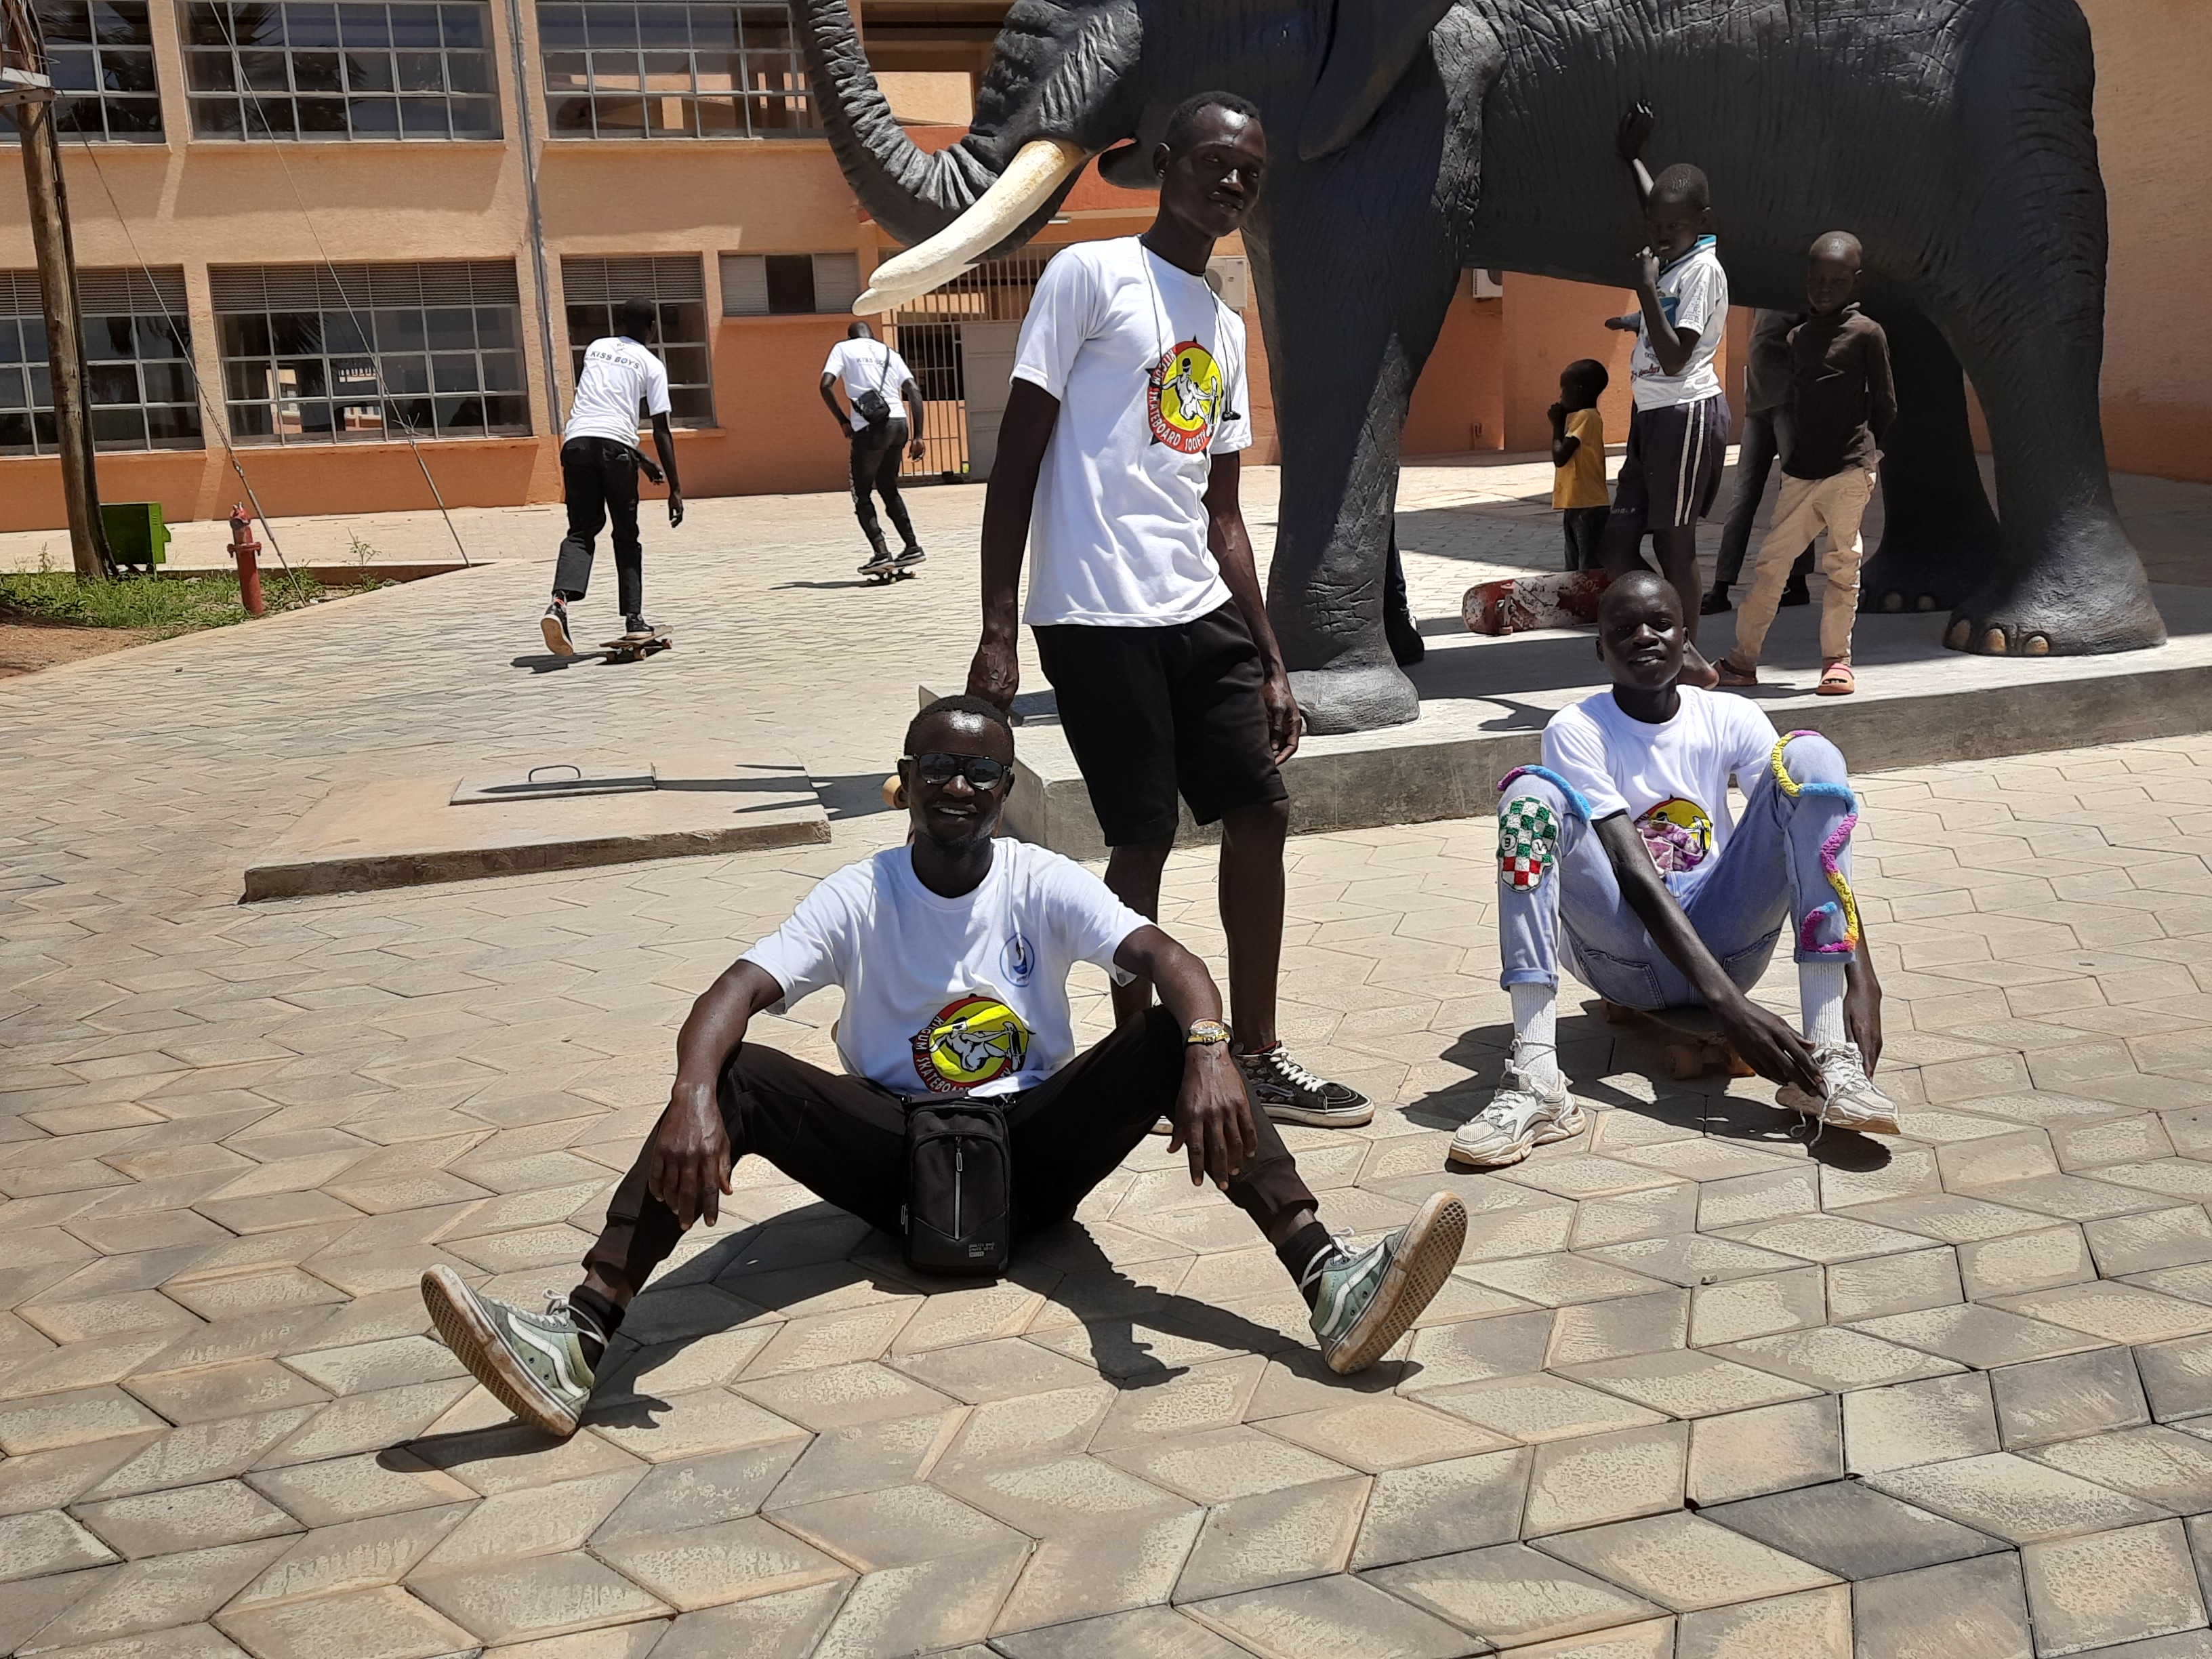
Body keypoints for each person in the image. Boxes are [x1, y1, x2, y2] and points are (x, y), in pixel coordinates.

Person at [420, 695, 1470, 1437]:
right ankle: (578, 1336)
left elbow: (1168, 959)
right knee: (733, 1072)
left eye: (980, 771)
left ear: (1004, 786)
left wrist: (1205, 1049)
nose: (959, 786)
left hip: (1036, 1153)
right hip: (892, 1159)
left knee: (1162, 1035)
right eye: (939, 769)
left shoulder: (1039, 878)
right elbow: (731, 992)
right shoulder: (860, 893)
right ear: (905, 781)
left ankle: (1331, 1282)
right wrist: (695, 1094)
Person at [962, 91, 1370, 1129]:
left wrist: (1273, 658)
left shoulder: (1225, 327)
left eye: (1250, 171)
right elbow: (1015, 463)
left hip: (1198, 607)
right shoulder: (1089, 275)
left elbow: (1224, 513)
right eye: (1214, 162)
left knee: (1262, 810)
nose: (1231, 182)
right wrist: (999, 628)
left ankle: (1261, 1054)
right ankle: (1145, 1064)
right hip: (1093, 614)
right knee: (1141, 834)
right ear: (1163, 162)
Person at [1450, 570, 1895, 1170]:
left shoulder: (1729, 717)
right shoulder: (1578, 728)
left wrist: (1861, 977)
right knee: (1528, 798)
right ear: (1600, 648)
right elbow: (1632, 873)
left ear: (1686, 639)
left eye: (1661, 624)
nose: (1644, 637)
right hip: (1624, 952)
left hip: (1728, 938)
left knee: (1809, 754)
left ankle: (1828, 1064)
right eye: (1623, 629)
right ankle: (1536, 1080)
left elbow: (1813, 839)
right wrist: (1731, 1010)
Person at [1720, 233, 1897, 697]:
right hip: (1801, 471)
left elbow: (1884, 402)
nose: (1825, 289)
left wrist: (1868, 454)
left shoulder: (1867, 334)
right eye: (1817, 280)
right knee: (1772, 565)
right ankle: (1742, 660)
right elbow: (1797, 400)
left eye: (1837, 281)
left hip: (1848, 470)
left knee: (1843, 566)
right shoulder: (1798, 337)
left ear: (1856, 281)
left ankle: (1837, 662)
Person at [1595, 104, 1730, 687]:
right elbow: (1658, 202)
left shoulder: (1702, 270)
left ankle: (1688, 655)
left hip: (1686, 412)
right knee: (1616, 545)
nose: (1660, 235)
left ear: (1700, 220)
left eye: (1672, 228)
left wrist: (1646, 295)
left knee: (1675, 544)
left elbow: (1678, 357)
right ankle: (1669, 634)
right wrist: (1632, 159)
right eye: (1654, 227)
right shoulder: (1674, 252)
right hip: (1651, 413)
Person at [542, 296, 684, 655]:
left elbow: (599, 415)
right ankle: (634, 618)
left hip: (577, 444)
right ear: (653, 327)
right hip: (615, 450)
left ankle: (559, 602)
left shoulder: (596, 348)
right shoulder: (652, 365)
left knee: (581, 530)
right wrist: (676, 488)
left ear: (620, 321)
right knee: (625, 533)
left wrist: (641, 458)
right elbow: (662, 429)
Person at [1702, 308, 1814, 615]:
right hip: (1758, 404)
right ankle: (1722, 585)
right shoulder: (1759, 295)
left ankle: (1797, 580)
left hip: (1788, 402)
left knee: (1794, 495)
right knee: (1743, 498)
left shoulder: (1799, 292)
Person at [820, 321, 927, 577]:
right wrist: (918, 436)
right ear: (872, 336)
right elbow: (913, 390)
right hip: (899, 424)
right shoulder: (889, 352)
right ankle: (912, 547)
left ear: (851, 336)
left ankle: (881, 554)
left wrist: (843, 421)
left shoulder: (843, 349)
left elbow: (825, 385)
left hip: (870, 428)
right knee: (889, 488)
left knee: (862, 491)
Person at [1549, 358, 1611, 572]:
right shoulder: (1585, 417)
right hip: (1576, 503)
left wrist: (1557, 425)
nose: (1561, 397)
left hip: (1588, 506)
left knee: (1589, 568)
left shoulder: (1586, 417)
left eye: (1564, 390)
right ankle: (1579, 603)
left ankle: (1595, 604)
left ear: (1579, 391)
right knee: (1574, 565)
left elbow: (1560, 456)